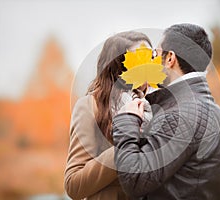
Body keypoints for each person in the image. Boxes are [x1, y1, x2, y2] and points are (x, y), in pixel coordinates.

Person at [112, 23, 220, 199]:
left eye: (156, 54)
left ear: (170, 59)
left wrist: (126, 120)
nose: (152, 61)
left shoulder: (181, 114)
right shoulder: (211, 109)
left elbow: (135, 179)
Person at [64, 31, 153, 200]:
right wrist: (124, 149)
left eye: (152, 57)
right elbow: (73, 185)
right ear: (118, 67)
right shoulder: (90, 106)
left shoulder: (155, 107)